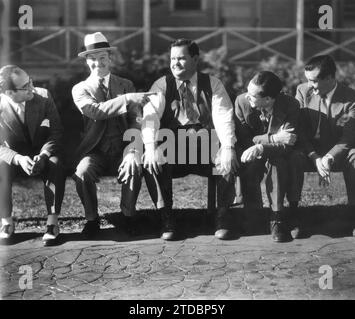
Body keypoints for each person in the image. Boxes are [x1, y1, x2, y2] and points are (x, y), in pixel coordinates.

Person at [142, 38, 239, 241]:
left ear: (195, 59)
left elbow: (223, 117)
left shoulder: (213, 84)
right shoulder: (162, 85)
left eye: (181, 58)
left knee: (227, 155)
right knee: (152, 158)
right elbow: (150, 118)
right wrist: (151, 146)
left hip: (205, 147)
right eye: (172, 59)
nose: (175, 63)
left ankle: (222, 216)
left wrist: (228, 147)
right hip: (174, 147)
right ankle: (166, 218)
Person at [71, 32, 153, 238]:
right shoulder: (80, 89)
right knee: (82, 172)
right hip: (95, 151)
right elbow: (96, 111)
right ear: (86, 62)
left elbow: (136, 119)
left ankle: (127, 216)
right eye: (92, 59)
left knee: (134, 163)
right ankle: (92, 219)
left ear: (110, 58)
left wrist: (134, 148)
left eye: (102, 58)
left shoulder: (125, 84)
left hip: (123, 147)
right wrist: (127, 99)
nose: (98, 63)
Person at [288, 54, 355, 237]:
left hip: (339, 153)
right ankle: (293, 215)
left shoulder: (350, 98)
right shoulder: (303, 91)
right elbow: (299, 130)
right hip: (309, 151)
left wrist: (329, 157)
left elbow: (349, 137)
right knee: (293, 158)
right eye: (308, 80)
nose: (310, 85)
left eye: (314, 81)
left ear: (330, 78)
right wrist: (314, 156)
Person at [0, 65, 65, 245]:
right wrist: (18, 158)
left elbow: (57, 132)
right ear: (9, 93)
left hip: (43, 152)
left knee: (56, 162)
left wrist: (44, 154)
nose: (32, 88)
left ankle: (52, 223)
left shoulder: (43, 97)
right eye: (25, 86)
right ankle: (6, 222)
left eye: (30, 81)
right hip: (14, 158)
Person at [235, 71, 300, 242]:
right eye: (247, 92)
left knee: (277, 162)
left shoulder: (290, 105)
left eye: (252, 95)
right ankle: (253, 213)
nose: (247, 97)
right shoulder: (241, 102)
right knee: (248, 164)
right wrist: (271, 138)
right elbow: (245, 139)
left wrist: (262, 147)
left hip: (278, 153)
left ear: (269, 99)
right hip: (248, 154)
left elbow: (288, 142)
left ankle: (276, 217)